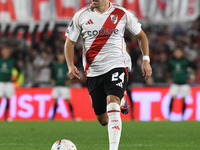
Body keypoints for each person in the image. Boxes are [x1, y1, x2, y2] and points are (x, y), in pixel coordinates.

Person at [64, 1, 152, 150]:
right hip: (93, 71)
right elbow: (69, 42)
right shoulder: (80, 16)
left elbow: (141, 36)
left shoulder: (122, 13)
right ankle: (122, 101)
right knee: (103, 120)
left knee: (112, 101)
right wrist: (70, 65)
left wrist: (146, 60)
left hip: (117, 65)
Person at [168, 46, 196, 120]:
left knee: (183, 100)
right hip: (175, 83)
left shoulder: (186, 61)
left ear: (182, 53)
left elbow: (194, 67)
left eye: (179, 52)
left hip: (184, 83)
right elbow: (168, 71)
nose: (177, 54)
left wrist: (191, 77)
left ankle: (183, 117)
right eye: (176, 52)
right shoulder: (172, 61)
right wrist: (169, 78)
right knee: (172, 99)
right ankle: (168, 116)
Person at [51, 52, 74, 120]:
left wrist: (69, 81)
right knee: (55, 100)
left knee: (68, 100)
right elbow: (51, 75)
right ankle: (52, 117)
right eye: (59, 56)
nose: (60, 57)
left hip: (64, 86)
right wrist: (52, 80)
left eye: (62, 56)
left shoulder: (66, 66)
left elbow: (72, 75)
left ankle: (73, 116)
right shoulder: (55, 65)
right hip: (57, 86)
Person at [0, 46, 20, 121]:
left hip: (8, 83)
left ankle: (7, 116)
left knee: (8, 99)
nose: (5, 52)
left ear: (9, 52)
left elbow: (19, 70)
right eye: (4, 51)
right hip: (0, 82)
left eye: (6, 51)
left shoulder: (12, 61)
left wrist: (15, 78)